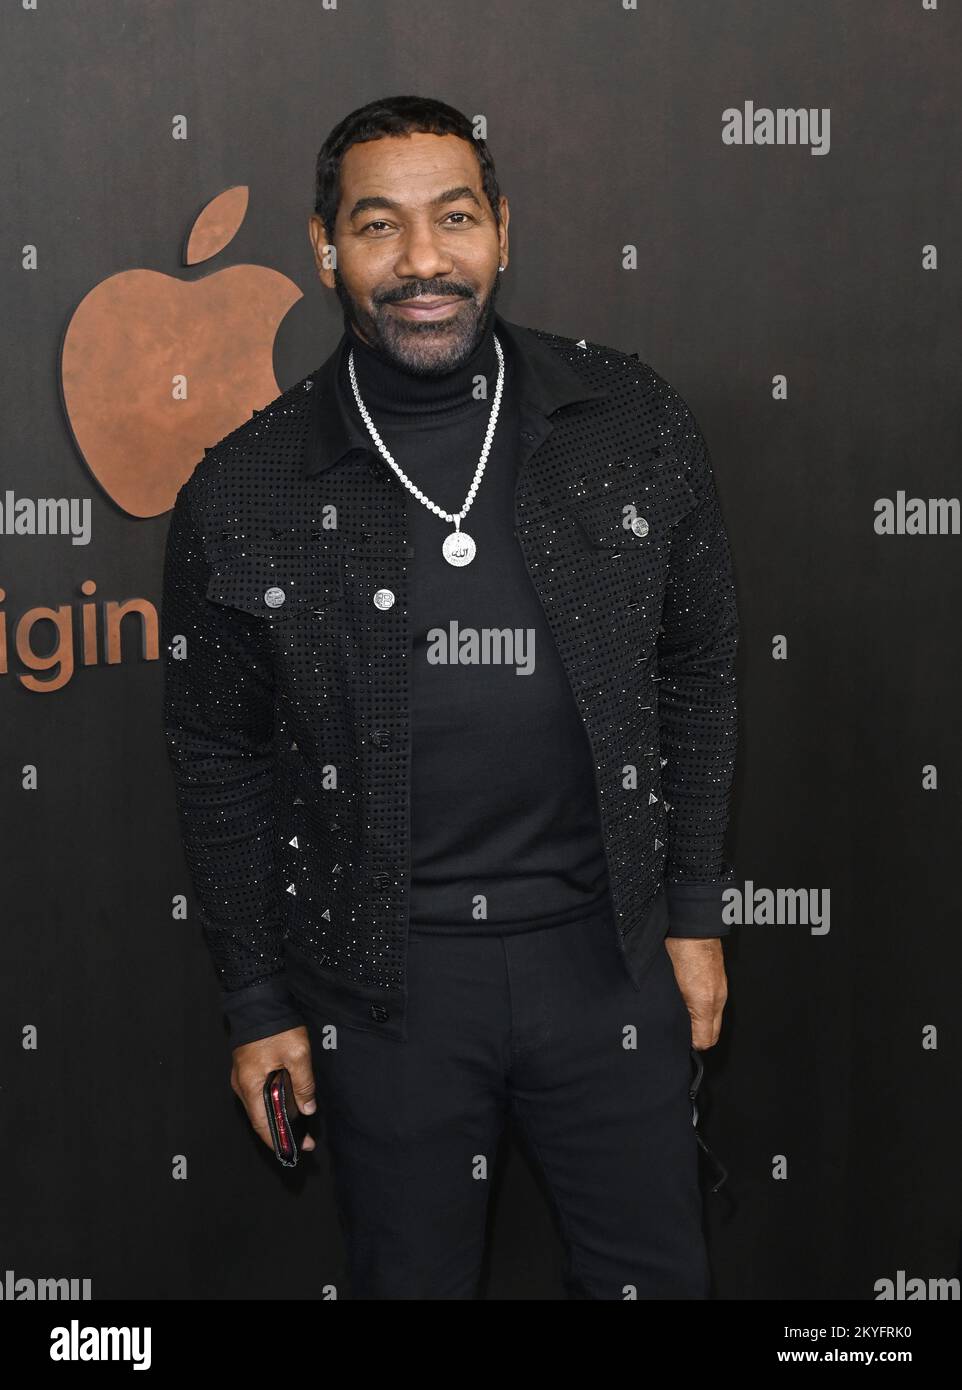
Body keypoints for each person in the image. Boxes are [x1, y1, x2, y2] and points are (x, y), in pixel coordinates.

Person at [161, 94, 739, 1300]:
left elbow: (696, 669)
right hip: (385, 989)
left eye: (454, 218)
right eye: (379, 227)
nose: (423, 262)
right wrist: (257, 1001)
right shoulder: (246, 484)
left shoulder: (625, 420)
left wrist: (689, 910)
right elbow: (217, 754)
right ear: (325, 250)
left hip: (609, 956)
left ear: (501, 232)